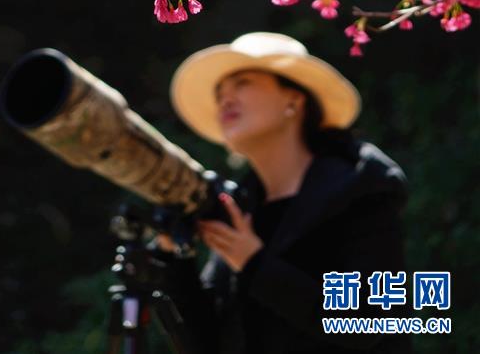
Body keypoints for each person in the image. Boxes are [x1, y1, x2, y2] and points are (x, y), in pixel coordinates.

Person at [159, 32, 411, 354]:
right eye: (220, 91)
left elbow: (369, 321)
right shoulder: (240, 208)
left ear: (294, 100)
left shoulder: (361, 189)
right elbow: (207, 344)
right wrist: (173, 258)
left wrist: (253, 262)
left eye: (243, 82)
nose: (225, 98)